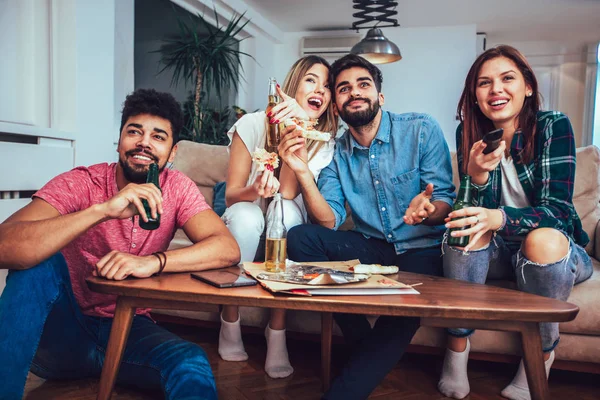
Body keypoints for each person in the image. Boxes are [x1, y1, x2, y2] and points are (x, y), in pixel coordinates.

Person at [0, 89, 240, 400]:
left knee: (190, 362)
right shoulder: (83, 182)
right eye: (134, 131)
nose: (144, 142)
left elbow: (226, 247)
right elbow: (5, 244)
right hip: (63, 333)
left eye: (158, 136)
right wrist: (103, 210)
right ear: (119, 141)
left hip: (128, 329)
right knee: (38, 264)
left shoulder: (177, 188)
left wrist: (153, 262)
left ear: (173, 151)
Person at [281, 54, 456, 399]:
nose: (354, 93)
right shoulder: (337, 152)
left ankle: (346, 387)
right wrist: (301, 170)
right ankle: (368, 352)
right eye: (344, 88)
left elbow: (445, 199)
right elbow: (328, 218)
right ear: (337, 105)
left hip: (421, 247)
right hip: (372, 247)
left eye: (363, 85)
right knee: (301, 238)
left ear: (380, 96)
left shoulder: (420, 128)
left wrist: (427, 209)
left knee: (406, 309)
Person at [437, 45, 594, 400]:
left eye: (507, 79)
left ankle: (539, 356)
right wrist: (474, 178)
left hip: (551, 251)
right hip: (496, 252)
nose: (496, 90)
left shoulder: (553, 126)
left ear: (527, 86)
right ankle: (457, 350)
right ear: (474, 95)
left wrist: (500, 218)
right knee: (464, 231)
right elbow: (468, 212)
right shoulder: (471, 134)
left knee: (543, 239)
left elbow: (557, 211)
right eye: (484, 83)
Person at [218, 55, 338, 378]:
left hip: (287, 227)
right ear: (291, 86)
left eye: (327, 86)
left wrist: (295, 128)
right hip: (247, 224)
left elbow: (286, 193)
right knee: (245, 216)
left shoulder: (325, 143)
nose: (321, 91)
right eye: (312, 80)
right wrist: (255, 189)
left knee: (282, 211)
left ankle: (278, 330)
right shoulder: (252, 125)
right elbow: (231, 194)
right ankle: (230, 319)